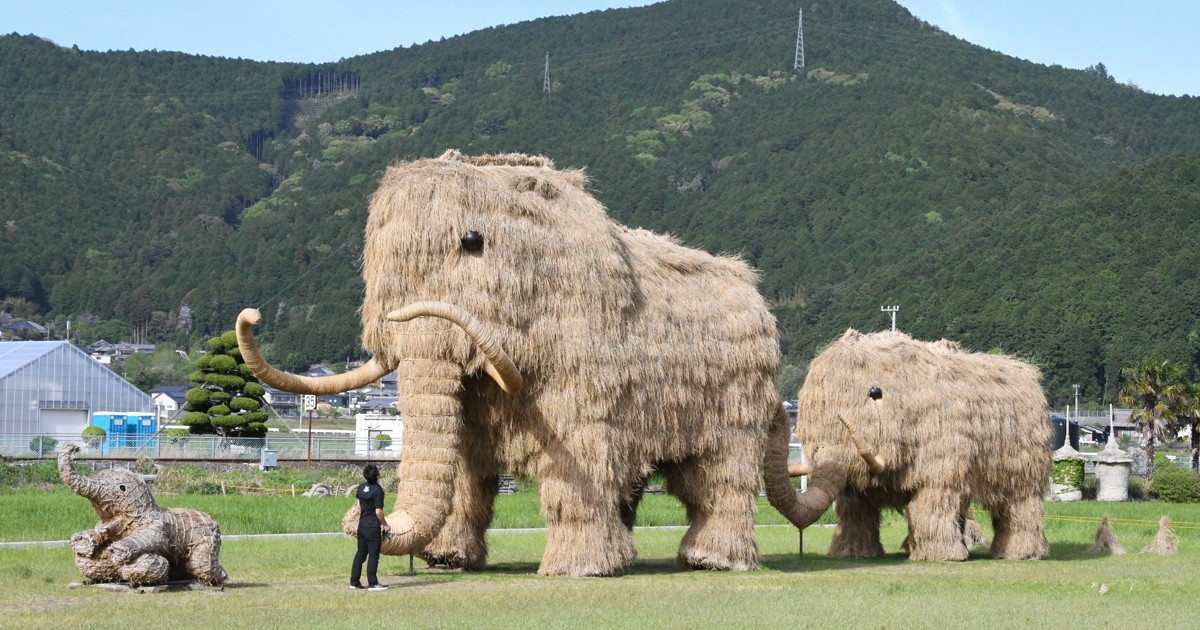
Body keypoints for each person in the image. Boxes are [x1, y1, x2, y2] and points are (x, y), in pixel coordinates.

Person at [349, 463, 391, 590]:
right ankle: (372, 583)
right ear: (377, 475)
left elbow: (359, 505)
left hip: (362, 526)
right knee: (373, 555)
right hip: (372, 527)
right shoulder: (378, 490)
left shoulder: (361, 487)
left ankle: (354, 582)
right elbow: (378, 512)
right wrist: (385, 525)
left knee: (361, 554)